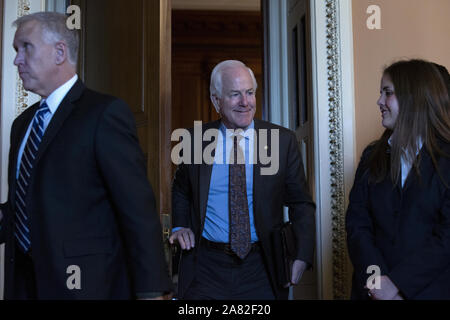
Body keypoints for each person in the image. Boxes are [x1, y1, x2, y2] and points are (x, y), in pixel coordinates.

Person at [0, 12, 172, 299]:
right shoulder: (23, 124)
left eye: (25, 47)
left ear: (59, 52)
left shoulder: (104, 114)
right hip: (23, 285)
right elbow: (23, 206)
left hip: (85, 286)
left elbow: (136, 210)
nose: (17, 60)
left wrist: (150, 291)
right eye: (16, 50)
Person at [169, 60, 315, 300]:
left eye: (249, 93)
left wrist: (302, 255)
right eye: (235, 94)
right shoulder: (195, 140)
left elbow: (301, 203)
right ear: (216, 101)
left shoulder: (281, 142)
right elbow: (181, 189)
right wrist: (180, 225)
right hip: (206, 268)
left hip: (263, 267)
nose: (245, 102)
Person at [346, 59, 450, 300]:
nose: (379, 101)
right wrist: (377, 281)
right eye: (381, 93)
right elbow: (357, 225)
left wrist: (397, 284)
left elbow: (446, 238)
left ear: (413, 98)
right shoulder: (372, 156)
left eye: (388, 93)